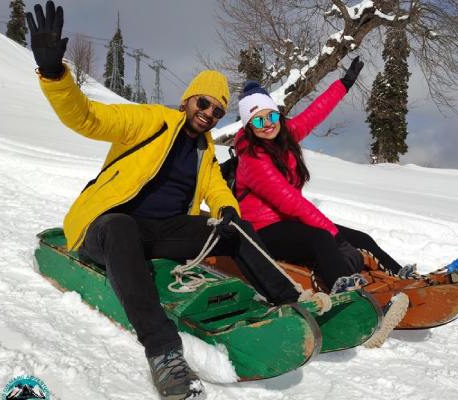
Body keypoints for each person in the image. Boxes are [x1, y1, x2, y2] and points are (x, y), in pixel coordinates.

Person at [26, 2, 306, 399]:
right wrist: (55, 74)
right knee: (122, 226)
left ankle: (291, 302)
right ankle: (163, 353)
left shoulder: (204, 150)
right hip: (106, 227)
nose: (209, 113)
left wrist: (227, 209)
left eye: (218, 110)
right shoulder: (149, 120)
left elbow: (216, 188)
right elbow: (86, 117)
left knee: (232, 227)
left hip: (159, 234)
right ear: (188, 101)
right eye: (204, 103)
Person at [234, 57, 410, 344]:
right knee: (321, 238)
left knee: (361, 238)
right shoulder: (253, 160)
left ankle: (406, 282)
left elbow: (316, 112)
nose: (267, 124)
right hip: (263, 230)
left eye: (271, 116)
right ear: (248, 125)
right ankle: (352, 308)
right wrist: (331, 232)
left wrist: (344, 83)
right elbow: (292, 202)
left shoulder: (285, 136)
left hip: (288, 223)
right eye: (258, 120)